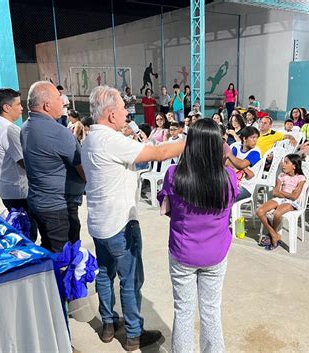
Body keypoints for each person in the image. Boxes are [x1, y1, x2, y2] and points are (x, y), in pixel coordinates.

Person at [82, 85, 184, 351]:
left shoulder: (92, 137)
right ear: (110, 114)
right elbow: (160, 153)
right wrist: (190, 141)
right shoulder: (111, 140)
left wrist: (126, 134)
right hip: (119, 224)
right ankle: (134, 335)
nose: (127, 115)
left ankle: (108, 324)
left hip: (99, 222)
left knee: (105, 275)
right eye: (123, 110)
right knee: (130, 280)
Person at [157, 118, 237, 353]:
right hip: (215, 254)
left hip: (183, 253)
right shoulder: (228, 177)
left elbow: (167, 210)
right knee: (211, 312)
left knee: (183, 312)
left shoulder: (174, 175)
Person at [21, 81, 85, 253]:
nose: (63, 102)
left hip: (38, 202)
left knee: (49, 249)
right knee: (64, 258)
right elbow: (84, 171)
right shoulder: (58, 132)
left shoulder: (26, 127)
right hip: (57, 208)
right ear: (47, 105)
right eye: (59, 98)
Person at [0, 88, 36, 241]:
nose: (22, 107)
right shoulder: (10, 129)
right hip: (19, 191)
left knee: (21, 232)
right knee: (28, 235)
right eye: (18, 104)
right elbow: (23, 161)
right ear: (6, 107)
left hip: (9, 189)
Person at [256, 154, 306, 250]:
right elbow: (275, 192)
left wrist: (281, 192)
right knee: (260, 211)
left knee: (277, 213)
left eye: (286, 163)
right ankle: (274, 234)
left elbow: (294, 197)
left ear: (294, 166)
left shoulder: (301, 178)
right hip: (279, 199)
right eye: (283, 162)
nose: (283, 165)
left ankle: (273, 235)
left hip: (291, 202)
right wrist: (286, 193)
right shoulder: (281, 176)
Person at [226, 126, 261, 202]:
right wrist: (242, 165)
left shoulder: (255, 152)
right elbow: (228, 164)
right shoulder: (237, 147)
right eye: (252, 137)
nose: (255, 141)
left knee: (226, 199)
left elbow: (241, 165)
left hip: (246, 187)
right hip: (231, 183)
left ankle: (229, 214)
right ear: (244, 138)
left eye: (256, 138)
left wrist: (232, 158)